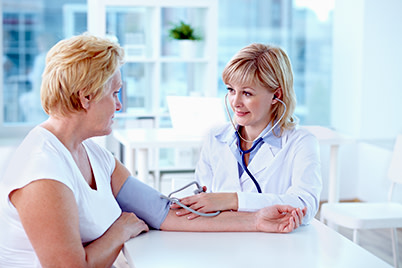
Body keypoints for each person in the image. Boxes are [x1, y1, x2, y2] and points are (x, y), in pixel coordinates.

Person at [0, 34, 306, 267]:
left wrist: (255, 220)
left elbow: (163, 212)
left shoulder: (93, 155)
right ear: (86, 97)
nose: (119, 104)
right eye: (114, 93)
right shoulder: (42, 171)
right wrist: (119, 231)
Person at [172, 43, 322, 224]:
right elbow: (203, 199)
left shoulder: (301, 142)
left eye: (247, 93)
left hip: (276, 245)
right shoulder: (215, 137)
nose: (235, 102)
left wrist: (232, 200)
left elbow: (304, 205)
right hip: (219, 239)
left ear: (276, 96)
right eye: (231, 90)